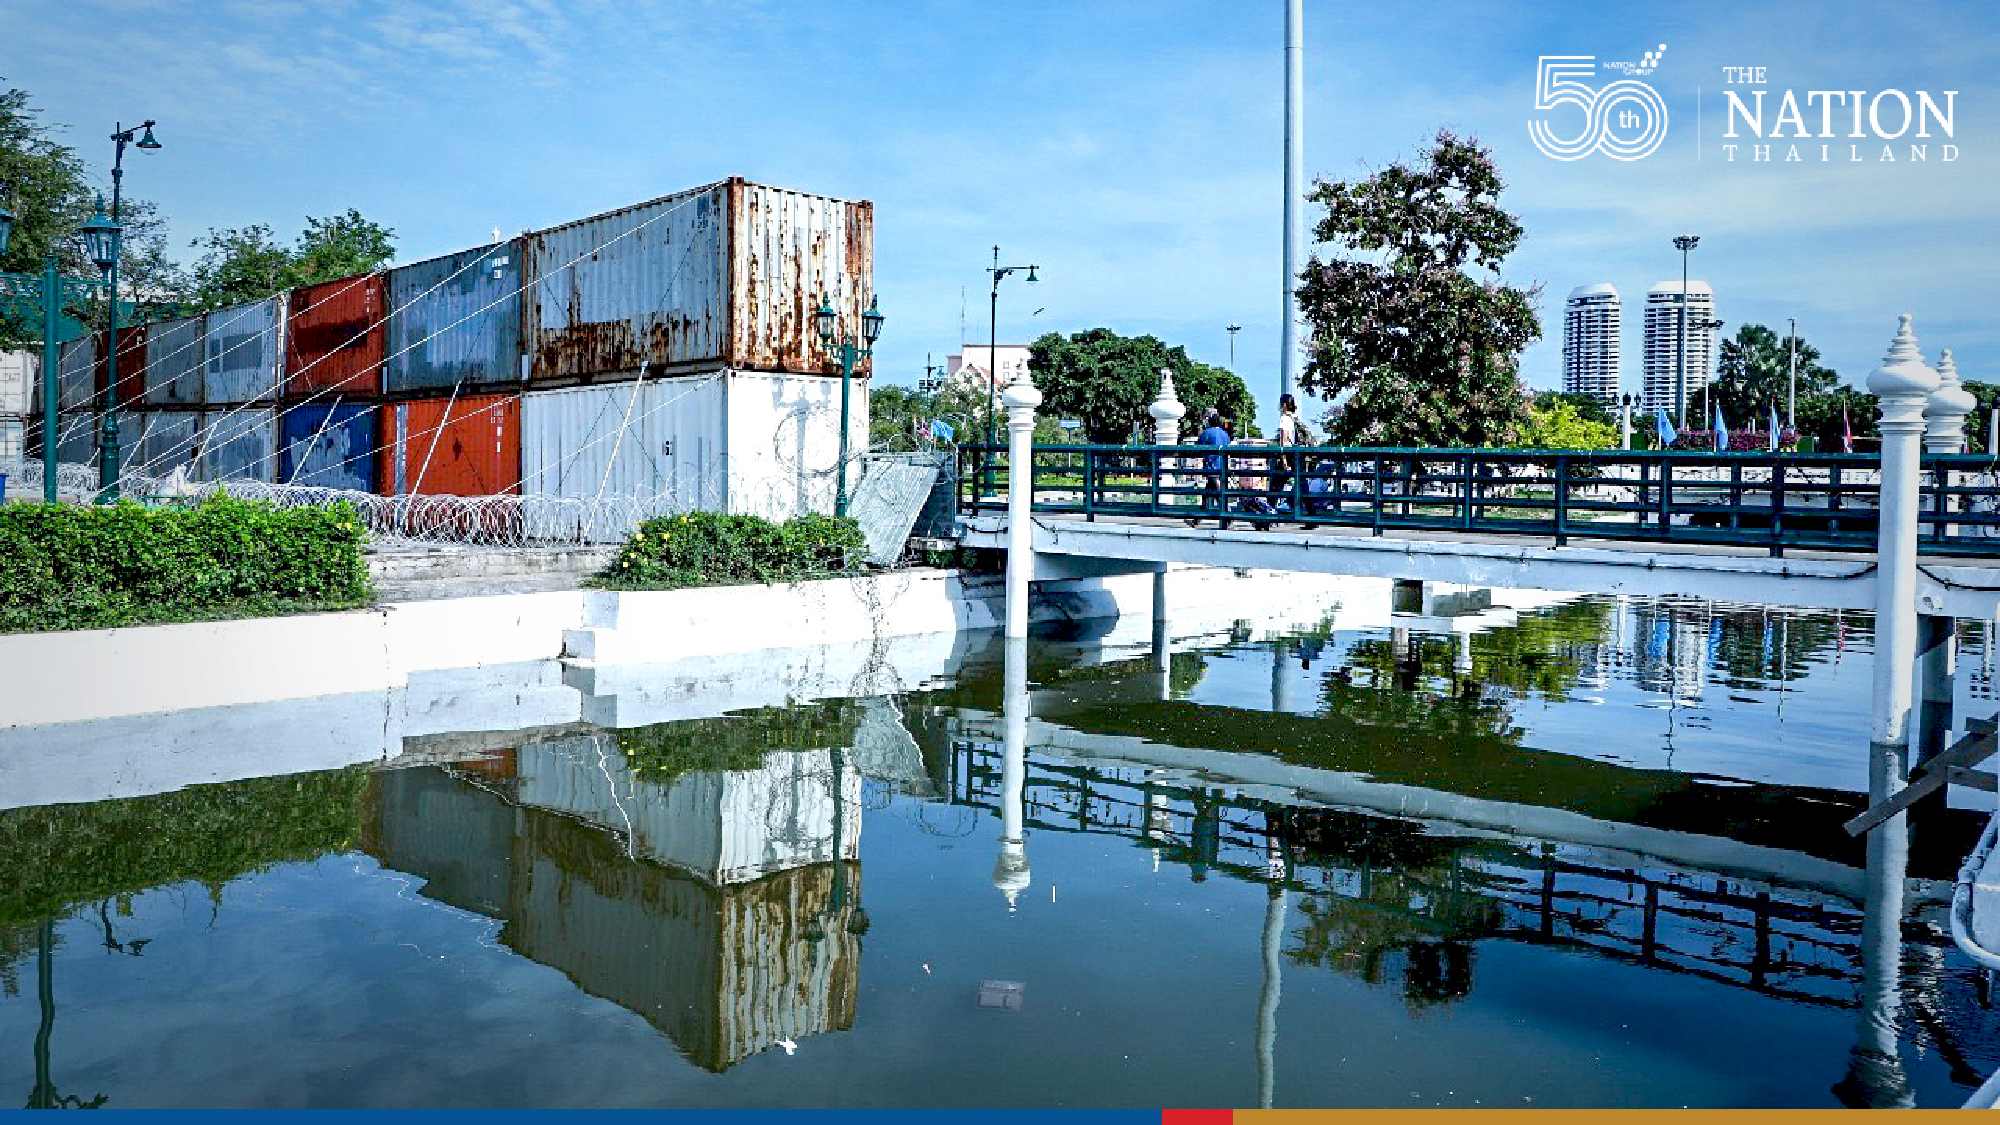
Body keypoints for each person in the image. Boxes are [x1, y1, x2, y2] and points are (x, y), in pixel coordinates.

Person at [1187, 409, 1232, 529]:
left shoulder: (1207, 433)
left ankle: (1227, 517)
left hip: (1212, 468)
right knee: (1208, 494)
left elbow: (1197, 448)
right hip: (1223, 468)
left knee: (1216, 494)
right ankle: (1197, 520)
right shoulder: (1225, 434)